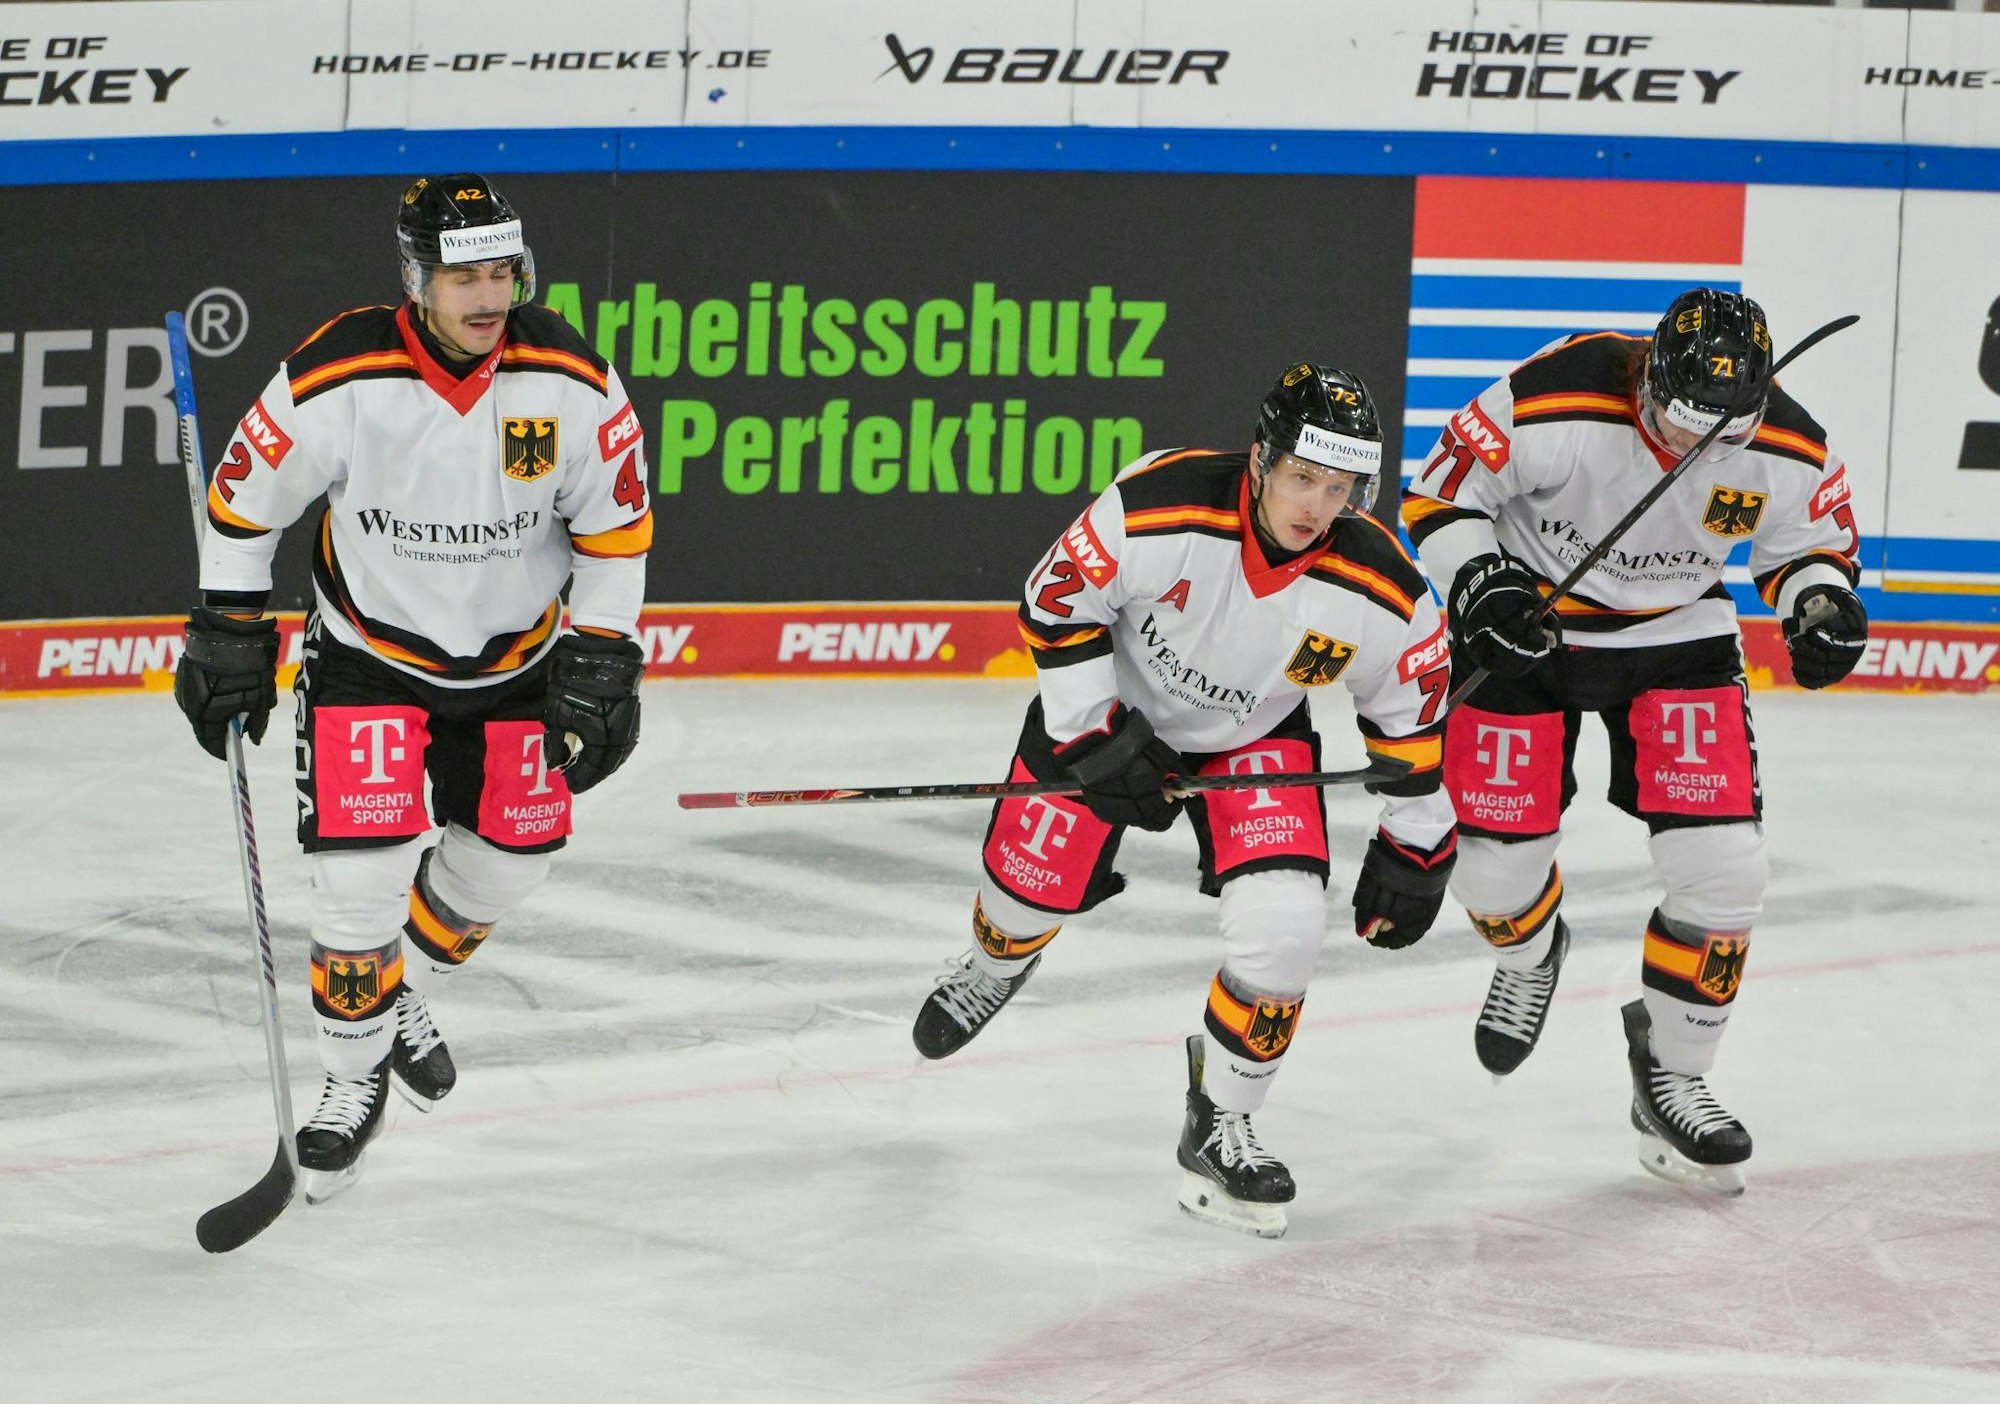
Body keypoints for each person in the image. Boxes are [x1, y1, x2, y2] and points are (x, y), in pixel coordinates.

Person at [173, 174, 653, 1192]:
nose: (487, 297)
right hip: (366, 663)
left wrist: (603, 655)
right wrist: (226, 630)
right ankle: (351, 1085)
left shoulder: (570, 379)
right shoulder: (337, 373)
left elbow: (614, 534)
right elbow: (243, 505)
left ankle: (398, 993)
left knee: (509, 867)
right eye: (462, 276)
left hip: (519, 665)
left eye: (501, 274)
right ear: (416, 280)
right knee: (356, 891)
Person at [910, 364, 1458, 1239]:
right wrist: (1095, 736)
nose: (1319, 505)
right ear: (1263, 460)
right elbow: (1054, 605)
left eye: (1342, 486)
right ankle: (996, 961)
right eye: (1303, 478)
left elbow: (1412, 714)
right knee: (1024, 891)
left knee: (1284, 931)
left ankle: (1223, 1122)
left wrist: (1420, 843)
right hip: (1111, 706)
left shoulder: (1381, 585)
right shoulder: (1159, 504)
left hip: (1256, 741)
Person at [1401, 287, 1866, 1196]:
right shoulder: (1552, 394)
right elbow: (1440, 499)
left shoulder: (1791, 442)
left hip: (1677, 635)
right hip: (1530, 626)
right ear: (1646, 373)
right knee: (1493, 873)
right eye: (1674, 421)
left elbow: (1808, 545)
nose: (1689, 447)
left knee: (1728, 871)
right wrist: (1483, 581)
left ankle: (1675, 1071)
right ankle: (1531, 953)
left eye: (1717, 432)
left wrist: (1819, 600)